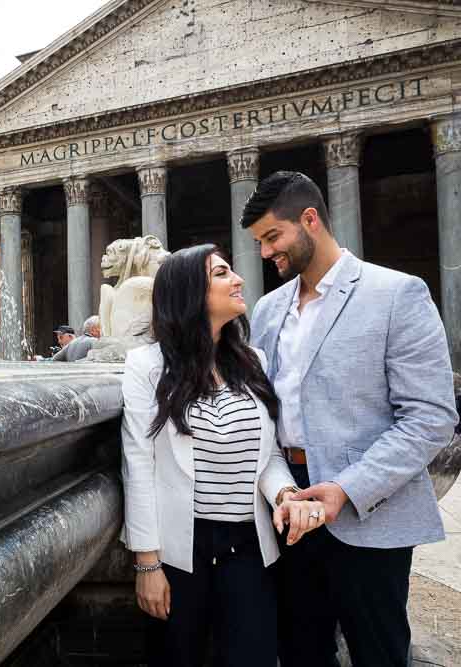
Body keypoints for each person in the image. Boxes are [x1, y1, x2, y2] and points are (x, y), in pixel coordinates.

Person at [241, 171, 458, 667]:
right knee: (299, 649)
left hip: (368, 508)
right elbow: (265, 409)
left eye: (272, 237)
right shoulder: (269, 308)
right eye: (259, 242)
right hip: (288, 504)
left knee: (377, 651)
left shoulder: (396, 293)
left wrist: (348, 489)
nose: (265, 252)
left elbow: (430, 416)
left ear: (310, 220)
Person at [120, 244, 326, 666]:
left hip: (249, 547)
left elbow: (266, 456)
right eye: (222, 273)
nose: (239, 279)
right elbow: (138, 466)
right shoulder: (146, 365)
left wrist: (287, 494)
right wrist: (147, 565)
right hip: (181, 550)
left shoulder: (254, 360)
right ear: (190, 292)